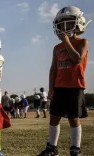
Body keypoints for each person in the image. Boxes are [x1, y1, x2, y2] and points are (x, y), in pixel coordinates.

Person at [38, 6, 91, 156]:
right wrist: (51, 88)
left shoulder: (82, 42)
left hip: (75, 86)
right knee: (54, 117)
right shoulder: (57, 48)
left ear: (77, 23)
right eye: (61, 24)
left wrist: (67, 41)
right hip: (59, 86)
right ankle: (52, 148)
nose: (63, 26)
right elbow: (53, 69)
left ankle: (75, 149)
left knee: (74, 119)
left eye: (67, 23)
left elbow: (77, 59)